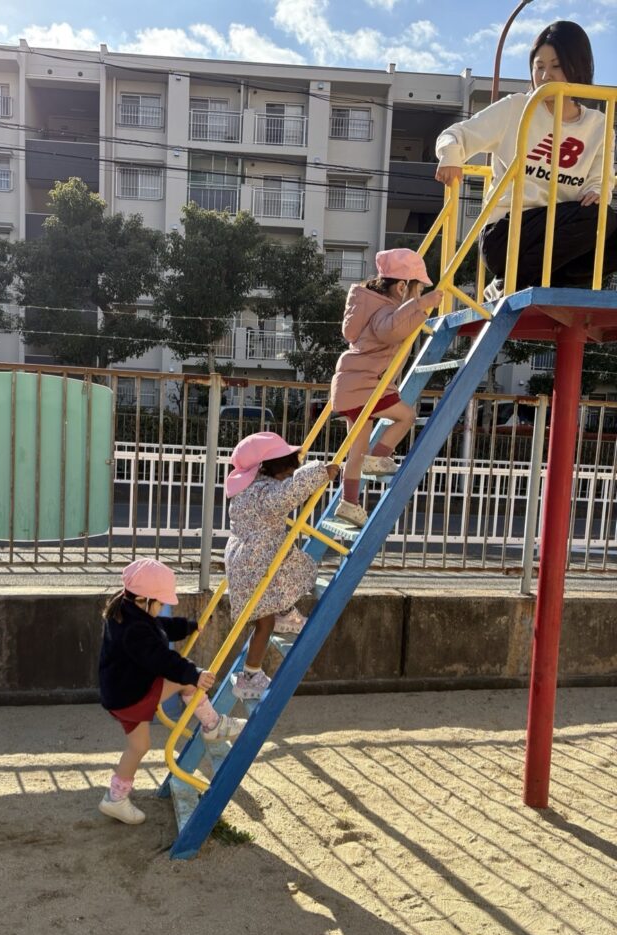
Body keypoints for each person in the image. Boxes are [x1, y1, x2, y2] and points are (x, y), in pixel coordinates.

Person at [435, 20, 617, 297]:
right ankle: (513, 282)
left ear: (578, 66)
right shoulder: (518, 108)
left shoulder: (598, 125)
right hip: (507, 234)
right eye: (538, 66)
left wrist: (598, 192)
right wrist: (450, 156)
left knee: (605, 220)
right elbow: (455, 134)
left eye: (556, 66)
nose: (545, 76)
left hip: (561, 235)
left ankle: (525, 282)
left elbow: (600, 181)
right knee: (595, 218)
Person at [98, 557, 246, 825]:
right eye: (160, 603)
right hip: (132, 695)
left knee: (139, 746)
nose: (162, 607)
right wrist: (194, 673)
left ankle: (115, 798)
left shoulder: (127, 611)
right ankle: (213, 725)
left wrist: (187, 626)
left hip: (119, 694)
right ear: (145, 600)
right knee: (185, 681)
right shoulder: (135, 629)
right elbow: (161, 659)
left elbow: (160, 628)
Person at [330, 249, 443, 527]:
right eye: (417, 290)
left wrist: (417, 306)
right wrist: (422, 305)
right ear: (402, 287)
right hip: (366, 383)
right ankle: (378, 458)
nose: (418, 296)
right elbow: (390, 330)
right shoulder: (385, 309)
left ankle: (348, 503)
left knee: (356, 450)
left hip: (351, 383)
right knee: (406, 416)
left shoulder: (371, 305)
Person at [224, 432, 340, 700]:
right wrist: (321, 472)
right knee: (268, 617)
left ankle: (284, 613)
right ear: (275, 467)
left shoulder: (245, 489)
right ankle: (250, 677)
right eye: (289, 470)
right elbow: (290, 492)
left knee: (278, 583)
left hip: (243, 559)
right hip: (257, 558)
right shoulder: (266, 492)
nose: (290, 475)